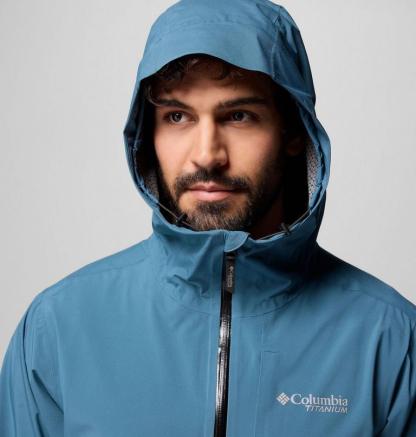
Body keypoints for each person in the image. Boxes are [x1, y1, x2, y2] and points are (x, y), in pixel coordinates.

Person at [0, 0, 415, 435]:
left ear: (293, 132)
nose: (206, 155)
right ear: (148, 135)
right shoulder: (58, 330)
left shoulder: (391, 341)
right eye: (177, 116)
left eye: (239, 116)